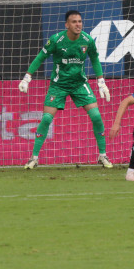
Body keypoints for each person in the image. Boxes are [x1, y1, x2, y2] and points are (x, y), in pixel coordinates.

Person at [19, 10, 112, 169]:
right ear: (67, 25)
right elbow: (40, 57)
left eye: (80, 21)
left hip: (79, 84)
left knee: (96, 116)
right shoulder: (56, 40)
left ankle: (103, 156)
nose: (78, 24)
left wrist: (101, 81)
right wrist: (27, 77)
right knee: (46, 119)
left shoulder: (87, 40)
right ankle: (34, 158)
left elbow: (95, 59)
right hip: (58, 85)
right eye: (74, 22)